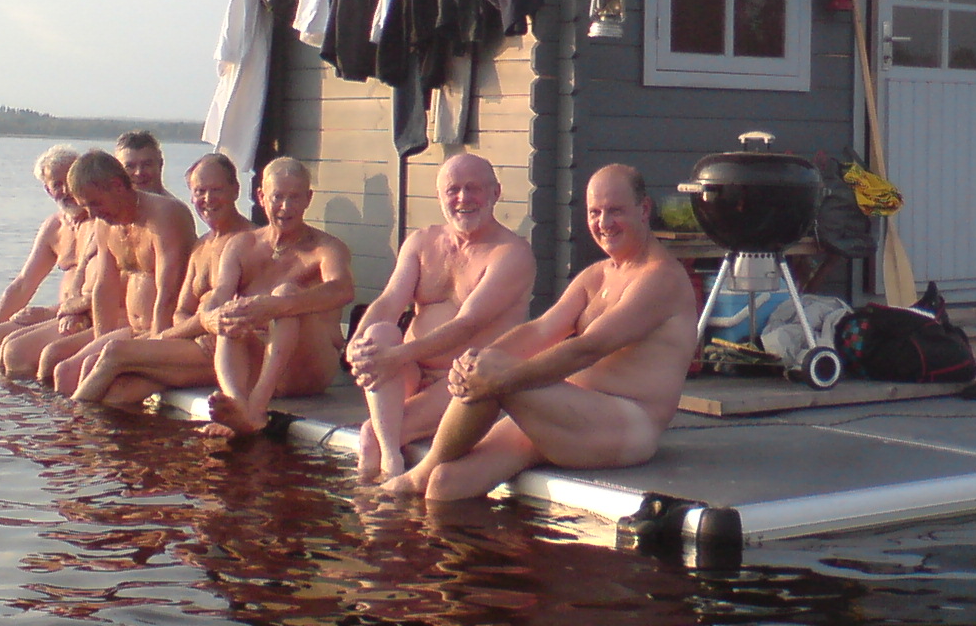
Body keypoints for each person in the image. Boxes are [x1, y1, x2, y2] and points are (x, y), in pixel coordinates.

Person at [383, 163, 697, 502]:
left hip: (625, 423)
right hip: (561, 409)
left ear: (644, 209)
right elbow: (541, 329)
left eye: (615, 211)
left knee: (494, 382)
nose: (604, 224)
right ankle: (452, 540)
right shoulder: (596, 276)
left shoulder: (660, 278)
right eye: (595, 212)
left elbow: (589, 348)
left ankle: (419, 473)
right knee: (447, 483)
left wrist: (503, 374)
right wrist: (477, 359)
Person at [347, 154, 536, 484]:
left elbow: (468, 323)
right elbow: (390, 301)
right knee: (377, 332)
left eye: (473, 188)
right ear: (439, 196)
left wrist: (396, 356)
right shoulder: (422, 242)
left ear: (496, 193)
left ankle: (382, 500)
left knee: (370, 435)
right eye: (453, 190)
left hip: (465, 377)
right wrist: (356, 348)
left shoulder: (511, 253)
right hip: (409, 370)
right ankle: (387, 479)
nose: (463, 198)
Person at [70, 153, 253, 408]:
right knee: (116, 394)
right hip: (191, 343)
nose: (207, 199)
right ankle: (104, 445)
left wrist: (173, 337)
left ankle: (71, 426)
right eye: (200, 192)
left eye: (216, 190)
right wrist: (188, 330)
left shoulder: (252, 242)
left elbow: (245, 313)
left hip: (229, 355)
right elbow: (182, 309)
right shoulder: (202, 246)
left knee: (113, 353)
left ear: (235, 189)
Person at [200, 156, 354, 439]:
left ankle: (255, 407)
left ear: (308, 198)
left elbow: (342, 288)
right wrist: (210, 318)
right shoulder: (241, 244)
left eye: (295, 197)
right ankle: (235, 403)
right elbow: (218, 294)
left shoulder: (325, 248)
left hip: (309, 369)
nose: (286, 207)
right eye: (278, 197)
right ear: (261, 196)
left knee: (285, 293)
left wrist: (277, 305)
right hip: (259, 362)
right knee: (232, 310)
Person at [49, 150, 198, 394]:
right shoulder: (104, 223)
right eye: (86, 207)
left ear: (117, 186)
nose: (93, 214)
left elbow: (168, 292)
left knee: (97, 374)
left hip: (167, 333)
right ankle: (71, 429)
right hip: (132, 330)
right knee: (65, 371)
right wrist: (102, 339)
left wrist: (154, 350)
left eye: (95, 203)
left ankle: (80, 428)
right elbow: (104, 287)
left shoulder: (164, 215)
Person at [0, 145, 87, 369]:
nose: (66, 190)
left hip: (84, 314)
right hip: (60, 314)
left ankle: (26, 400)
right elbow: (24, 284)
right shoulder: (55, 226)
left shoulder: (101, 221)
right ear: (48, 190)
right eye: (57, 184)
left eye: (70, 180)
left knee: (15, 350)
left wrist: (48, 313)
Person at [113, 130, 166, 195]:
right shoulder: (106, 204)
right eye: (130, 166)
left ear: (160, 165)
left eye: (146, 165)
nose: (138, 173)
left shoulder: (172, 205)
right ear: (117, 169)